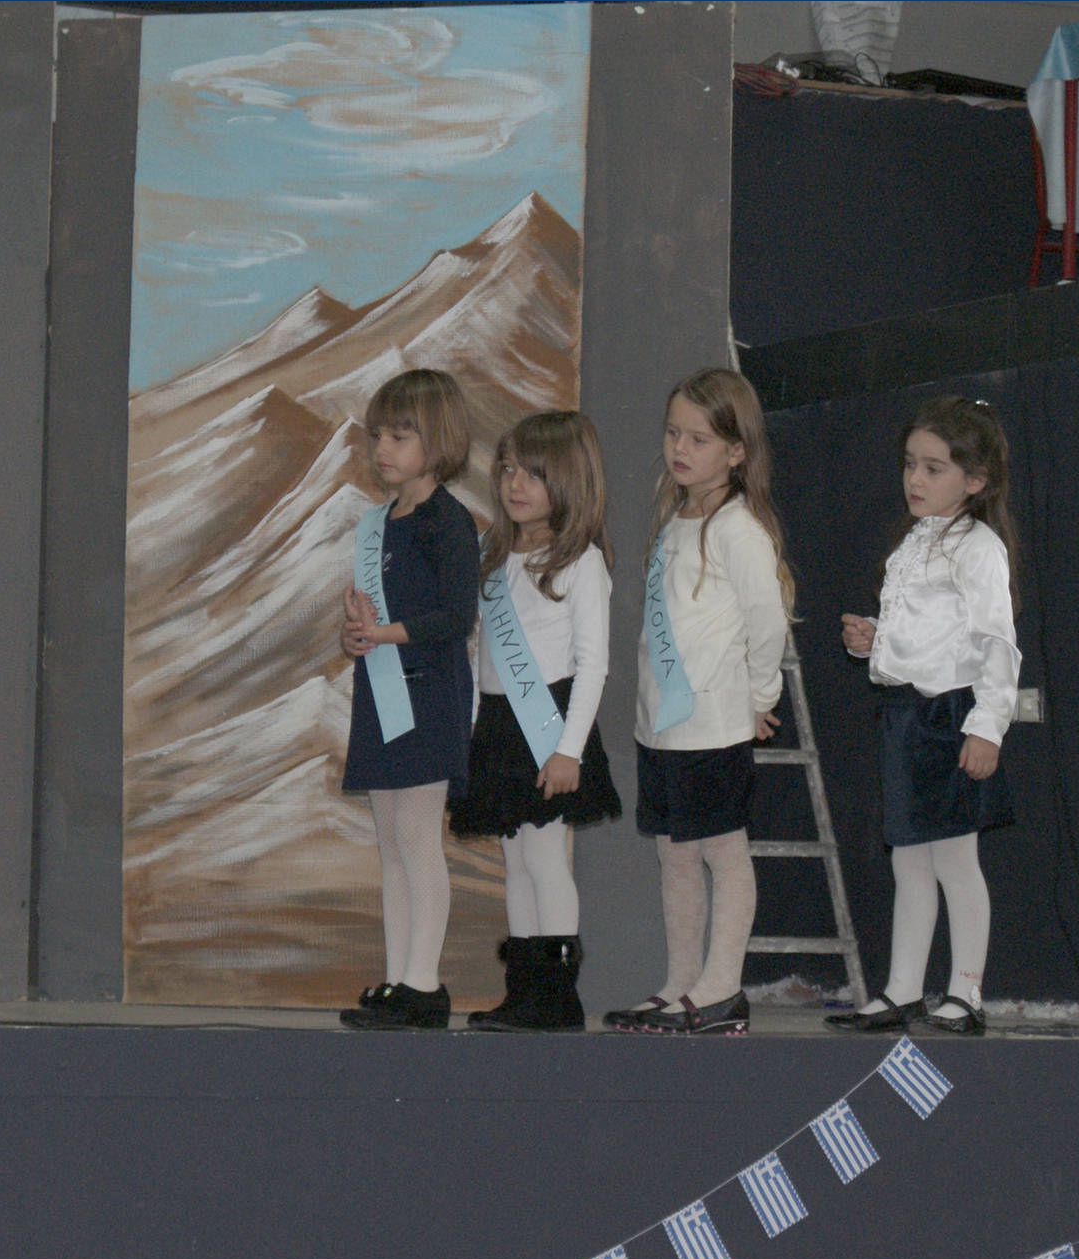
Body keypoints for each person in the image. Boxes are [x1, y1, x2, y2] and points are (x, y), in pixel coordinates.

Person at [607, 367, 794, 1037]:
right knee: (675, 854)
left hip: (713, 723)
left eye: (699, 439)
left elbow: (767, 619)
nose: (680, 448)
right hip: (663, 725)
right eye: (673, 433)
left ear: (737, 451)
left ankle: (722, 987)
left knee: (722, 848)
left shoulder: (738, 528)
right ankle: (681, 983)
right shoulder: (676, 519)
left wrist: (760, 695)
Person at [827, 395, 1020, 1038]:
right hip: (906, 714)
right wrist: (871, 639)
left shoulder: (978, 548)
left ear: (976, 480)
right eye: (910, 464)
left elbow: (996, 643)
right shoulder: (915, 541)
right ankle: (903, 990)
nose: (915, 478)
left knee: (955, 861)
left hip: (951, 717)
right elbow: (925, 632)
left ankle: (966, 992)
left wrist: (986, 726)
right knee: (908, 861)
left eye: (934, 468)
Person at [447, 412, 624, 1032]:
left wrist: (568, 750)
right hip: (499, 726)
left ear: (570, 480)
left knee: (546, 859)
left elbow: (593, 665)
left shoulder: (581, 562)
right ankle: (523, 993)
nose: (515, 484)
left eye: (534, 474)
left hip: (549, 724)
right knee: (516, 862)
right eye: (508, 469)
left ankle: (557, 996)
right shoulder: (493, 555)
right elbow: (480, 654)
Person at [338, 369, 481, 1031]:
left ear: (438, 439)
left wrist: (384, 633)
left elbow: (455, 615)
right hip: (381, 696)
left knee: (420, 841)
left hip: (428, 701)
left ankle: (424, 984)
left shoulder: (449, 522)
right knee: (391, 845)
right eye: (378, 437)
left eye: (399, 437)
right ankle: (398, 979)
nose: (383, 449)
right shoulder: (378, 524)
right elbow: (377, 617)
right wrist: (356, 636)